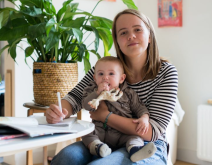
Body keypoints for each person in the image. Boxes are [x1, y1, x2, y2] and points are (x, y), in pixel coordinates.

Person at [46, 9, 178, 165]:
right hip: (103, 137)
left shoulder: (166, 72)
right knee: (65, 158)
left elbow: (151, 132)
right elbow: (75, 98)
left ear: (149, 36)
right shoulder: (106, 69)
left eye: (137, 29)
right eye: (123, 33)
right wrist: (58, 112)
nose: (131, 36)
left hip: (145, 144)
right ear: (117, 41)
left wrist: (105, 116)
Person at [81, 56, 156, 162]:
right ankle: (97, 147)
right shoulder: (91, 90)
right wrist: (97, 93)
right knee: (86, 133)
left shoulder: (128, 93)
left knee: (136, 138)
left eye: (111, 74)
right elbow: (86, 105)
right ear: (95, 78)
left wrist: (144, 118)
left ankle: (134, 150)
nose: (105, 77)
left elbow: (140, 108)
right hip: (99, 132)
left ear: (121, 78)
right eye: (101, 74)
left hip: (123, 134)